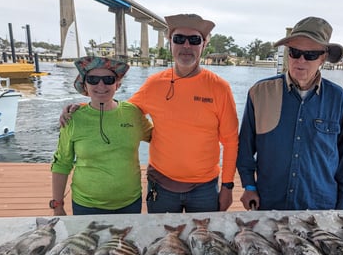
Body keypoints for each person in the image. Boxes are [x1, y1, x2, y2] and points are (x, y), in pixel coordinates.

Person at [61, 14, 239, 213]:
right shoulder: (154, 84)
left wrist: (228, 186)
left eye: (194, 40)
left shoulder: (220, 88)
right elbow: (122, 111)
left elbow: (231, 142)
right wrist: (85, 108)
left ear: (204, 45)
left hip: (205, 188)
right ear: (170, 43)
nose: (186, 46)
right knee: (161, 241)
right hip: (161, 186)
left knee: (204, 239)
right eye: (179, 39)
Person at [237, 16, 343, 211]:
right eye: (294, 52)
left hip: (321, 207)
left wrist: (342, 207)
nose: (300, 60)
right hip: (269, 204)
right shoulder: (259, 93)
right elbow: (244, 148)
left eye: (310, 54)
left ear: (323, 57)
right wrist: (249, 185)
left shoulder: (339, 98)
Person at [50, 56, 152, 216]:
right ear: (85, 85)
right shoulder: (73, 118)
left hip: (130, 202)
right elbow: (61, 163)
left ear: (117, 85)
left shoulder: (132, 113)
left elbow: (158, 137)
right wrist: (57, 206)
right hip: (86, 205)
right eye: (93, 79)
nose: (101, 85)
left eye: (108, 79)